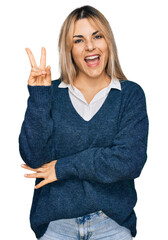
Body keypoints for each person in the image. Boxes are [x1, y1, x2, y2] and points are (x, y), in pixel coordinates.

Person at [19, 5, 149, 240]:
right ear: (69, 49)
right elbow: (36, 160)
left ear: (108, 41)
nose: (90, 46)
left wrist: (62, 168)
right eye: (79, 40)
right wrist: (39, 96)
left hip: (111, 225)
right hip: (57, 226)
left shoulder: (129, 95)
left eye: (97, 36)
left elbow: (129, 161)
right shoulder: (52, 94)